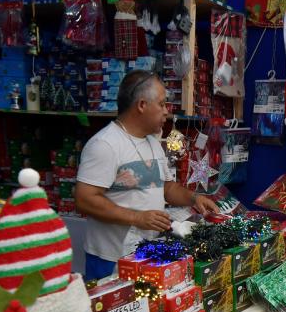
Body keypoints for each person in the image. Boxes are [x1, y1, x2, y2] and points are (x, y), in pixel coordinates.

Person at [75, 70, 219, 280]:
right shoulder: (105, 145)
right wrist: (137, 218)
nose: (166, 111)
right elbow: (84, 200)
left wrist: (195, 198)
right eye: (161, 104)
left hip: (147, 254)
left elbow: (167, 188)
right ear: (142, 105)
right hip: (110, 259)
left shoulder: (152, 142)